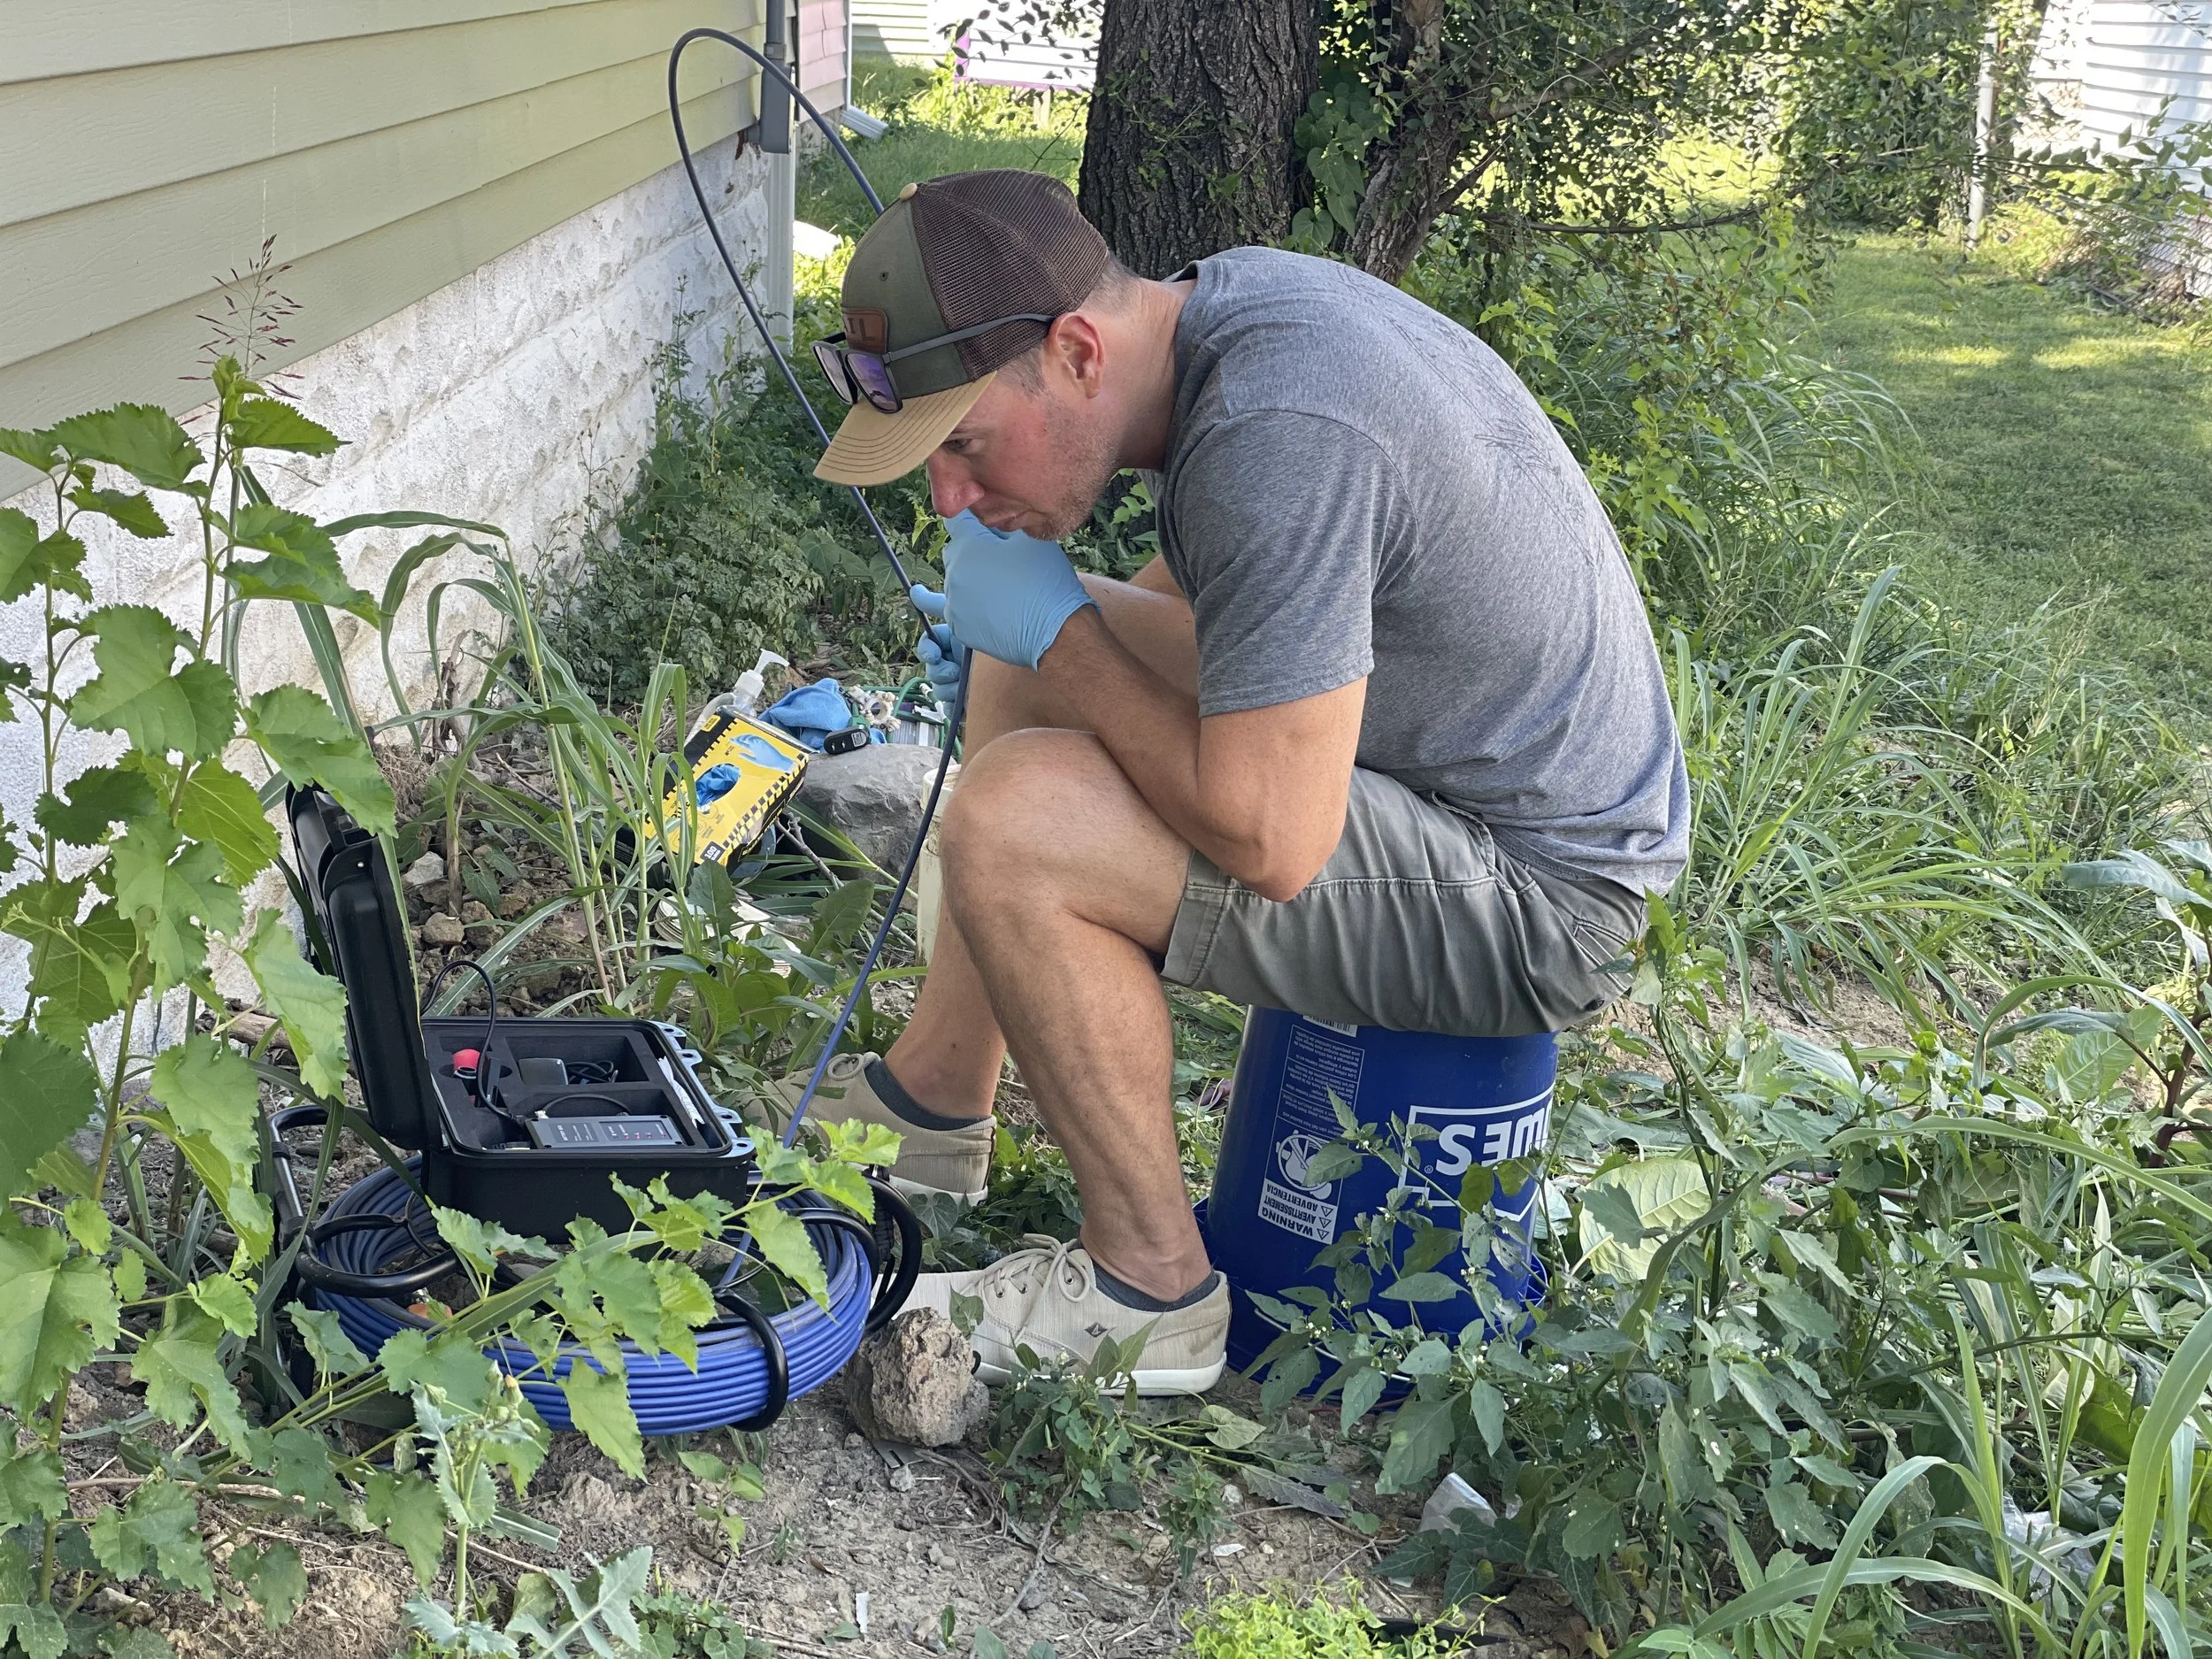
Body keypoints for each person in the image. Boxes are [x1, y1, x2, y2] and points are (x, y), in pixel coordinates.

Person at [780, 169, 1688, 1394]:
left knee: (1020, 821)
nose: (950, 494)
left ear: (1077, 350)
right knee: (1034, 649)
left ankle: (1149, 1287)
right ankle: (937, 1104)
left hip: (1542, 887)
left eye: (967, 445)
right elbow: (1214, 609)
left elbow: (1273, 840)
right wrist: (1035, 637)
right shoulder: (1222, 321)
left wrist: (1070, 639)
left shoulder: (1275, 434)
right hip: (1453, 767)